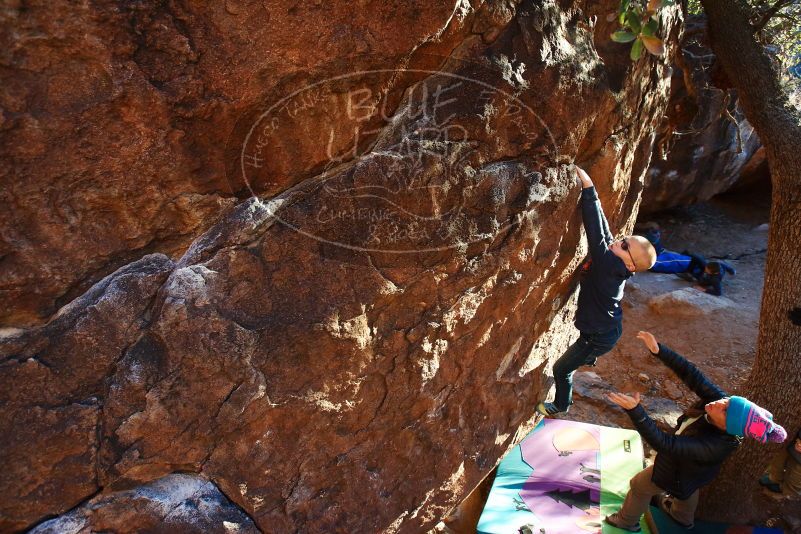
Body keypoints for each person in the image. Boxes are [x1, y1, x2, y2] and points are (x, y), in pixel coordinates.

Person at [604, 331, 787, 531]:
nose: (719, 403)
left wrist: (636, 411)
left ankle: (626, 522)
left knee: (639, 485)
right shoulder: (718, 403)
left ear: (727, 427)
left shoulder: (715, 445)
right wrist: (659, 351)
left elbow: (665, 444)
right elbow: (693, 375)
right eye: (728, 400)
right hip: (695, 472)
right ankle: (682, 519)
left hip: (676, 470)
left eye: (725, 410)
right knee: (688, 489)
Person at [536, 165, 657, 417]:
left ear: (630, 264)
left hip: (597, 337)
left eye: (624, 246)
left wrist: (590, 190)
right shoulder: (617, 264)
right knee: (577, 358)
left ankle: (560, 405)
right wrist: (592, 192)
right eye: (625, 239)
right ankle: (589, 357)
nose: (619, 241)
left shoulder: (608, 263)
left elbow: (595, 233)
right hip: (607, 329)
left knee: (561, 370)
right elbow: (605, 235)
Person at [759, 427, 801, 497]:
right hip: (794, 439)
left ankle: (786, 490)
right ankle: (774, 478)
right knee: (779, 461)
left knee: (795, 478)